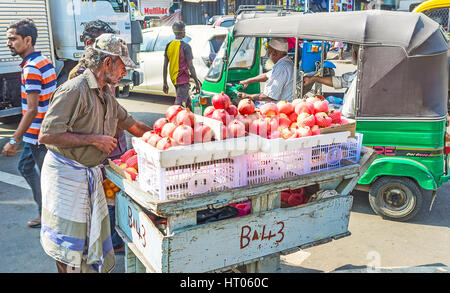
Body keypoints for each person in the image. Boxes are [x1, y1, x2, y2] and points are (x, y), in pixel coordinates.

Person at [38, 33, 152, 273]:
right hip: (65, 176)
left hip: (88, 174)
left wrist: (168, 136)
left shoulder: (107, 96)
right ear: (107, 63)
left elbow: (134, 126)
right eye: (123, 66)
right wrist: (94, 140)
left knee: (88, 241)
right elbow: (46, 135)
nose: (125, 72)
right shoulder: (73, 90)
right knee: (67, 247)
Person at [68, 20, 127, 256]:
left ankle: (113, 238)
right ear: (90, 44)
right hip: (100, 149)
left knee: (113, 191)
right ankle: (110, 241)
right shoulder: (79, 77)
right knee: (105, 195)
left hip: (114, 143)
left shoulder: (105, 69)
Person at [2, 19, 56, 229]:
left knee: (48, 179)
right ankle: (45, 211)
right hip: (37, 132)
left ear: (28, 40)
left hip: (39, 136)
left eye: (13, 39)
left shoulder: (32, 67)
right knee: (25, 167)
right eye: (8, 39)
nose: (9, 43)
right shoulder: (42, 60)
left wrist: (14, 140)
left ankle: (51, 218)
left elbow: (32, 109)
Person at [303, 44, 359, 118]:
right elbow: (341, 81)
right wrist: (314, 78)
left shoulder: (359, 78)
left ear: (355, 54)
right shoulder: (357, 73)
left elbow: (348, 112)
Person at [237, 38, 294, 102]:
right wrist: (247, 81)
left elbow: (269, 97)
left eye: (268, 49)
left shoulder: (282, 68)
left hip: (276, 107)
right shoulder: (285, 62)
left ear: (275, 52)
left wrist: (247, 96)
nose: (267, 53)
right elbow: (267, 75)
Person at [163, 22, 201, 107]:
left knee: (187, 101)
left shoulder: (169, 45)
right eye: (184, 30)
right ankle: (174, 118)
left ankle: (192, 117)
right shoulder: (186, 47)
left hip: (174, 78)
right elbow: (191, 66)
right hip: (183, 79)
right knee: (178, 105)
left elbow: (165, 65)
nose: (185, 32)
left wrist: (165, 82)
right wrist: (196, 82)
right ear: (182, 32)